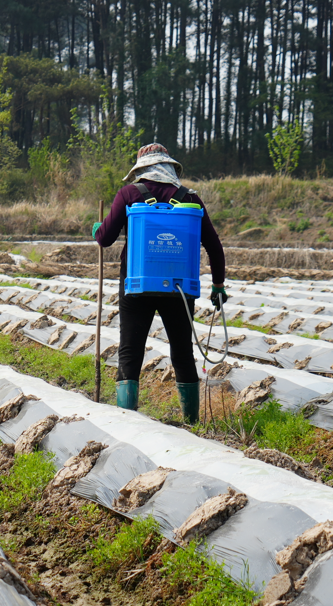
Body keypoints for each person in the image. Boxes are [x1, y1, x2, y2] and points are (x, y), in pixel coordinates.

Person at [93, 143, 227, 424]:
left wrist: (97, 229)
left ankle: (127, 418)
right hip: (179, 288)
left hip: (137, 286)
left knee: (130, 350)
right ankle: (192, 421)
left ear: (141, 169)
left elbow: (105, 238)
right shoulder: (189, 197)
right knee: (182, 351)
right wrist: (217, 285)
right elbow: (214, 246)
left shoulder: (129, 193)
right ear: (169, 168)